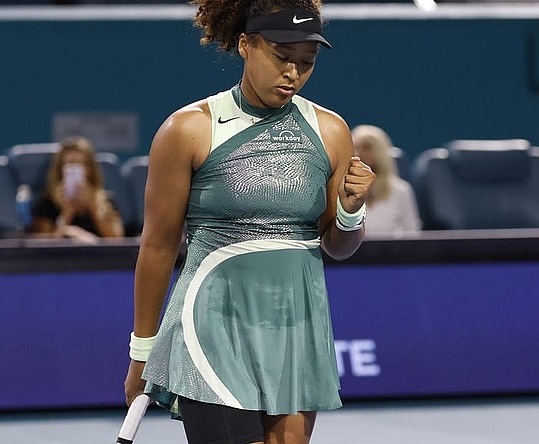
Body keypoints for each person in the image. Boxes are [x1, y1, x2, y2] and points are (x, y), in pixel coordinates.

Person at [122, 1, 376, 443]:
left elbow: (337, 245)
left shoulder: (331, 131)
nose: (293, 73)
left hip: (297, 322)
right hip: (211, 323)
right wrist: (142, 352)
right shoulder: (187, 129)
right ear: (245, 44)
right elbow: (158, 246)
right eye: (281, 58)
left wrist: (351, 210)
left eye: (306, 63)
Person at [29, 136, 124, 241]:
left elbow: (117, 241)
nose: (76, 169)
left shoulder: (107, 203)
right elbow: (43, 248)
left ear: (91, 169)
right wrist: (66, 214)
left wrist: (93, 207)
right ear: (60, 169)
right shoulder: (45, 204)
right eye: (70, 164)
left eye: (81, 164)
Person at [351, 124, 422, 234]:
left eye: (366, 147)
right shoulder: (343, 190)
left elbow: (412, 233)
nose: (358, 153)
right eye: (355, 147)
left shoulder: (401, 190)